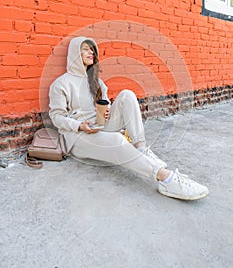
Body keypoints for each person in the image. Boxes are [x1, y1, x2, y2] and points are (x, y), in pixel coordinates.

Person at [49, 36, 209, 201]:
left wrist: (107, 112)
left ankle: (141, 148)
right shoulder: (61, 84)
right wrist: (79, 125)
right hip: (78, 137)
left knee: (127, 95)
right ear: (75, 53)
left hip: (99, 127)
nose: (91, 52)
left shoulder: (96, 81)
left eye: (92, 49)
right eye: (85, 49)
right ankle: (165, 178)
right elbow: (56, 116)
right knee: (117, 141)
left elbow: (105, 106)